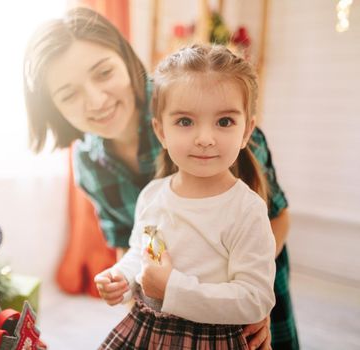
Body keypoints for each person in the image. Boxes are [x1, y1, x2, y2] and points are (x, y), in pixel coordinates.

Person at [23, 7, 298, 349]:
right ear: (54, 108)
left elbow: (276, 218)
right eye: (68, 94)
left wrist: (244, 301)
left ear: (125, 59)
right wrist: (129, 285)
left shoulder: (203, 108)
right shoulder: (89, 162)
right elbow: (135, 242)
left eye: (104, 72)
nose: (96, 100)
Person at [94, 43, 276, 349]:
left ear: (246, 132)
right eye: (185, 121)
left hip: (210, 339)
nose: (205, 139)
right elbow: (145, 253)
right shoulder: (153, 195)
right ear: (161, 131)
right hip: (146, 328)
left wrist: (172, 288)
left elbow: (254, 299)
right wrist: (122, 278)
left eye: (224, 122)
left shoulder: (247, 210)